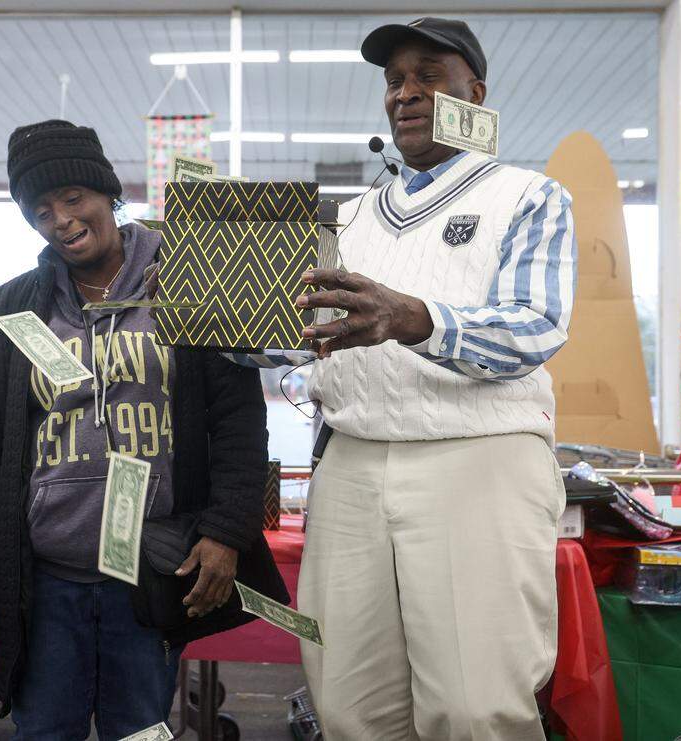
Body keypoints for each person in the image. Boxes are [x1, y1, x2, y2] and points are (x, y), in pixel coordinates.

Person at [237, 18, 577, 740]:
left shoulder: (527, 196)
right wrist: (220, 325)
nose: (406, 92)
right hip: (353, 460)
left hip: (476, 458)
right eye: (394, 80)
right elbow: (303, 344)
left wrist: (415, 318)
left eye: (429, 74)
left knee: (473, 705)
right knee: (351, 704)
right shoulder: (348, 217)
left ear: (474, 94)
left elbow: (535, 327)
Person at [0, 119, 286, 740]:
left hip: (151, 570)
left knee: (140, 731)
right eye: (41, 210)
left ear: (108, 194)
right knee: (44, 730)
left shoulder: (188, 282)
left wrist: (226, 531)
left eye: (74, 199)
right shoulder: (12, 307)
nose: (63, 221)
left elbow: (237, 420)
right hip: (44, 578)